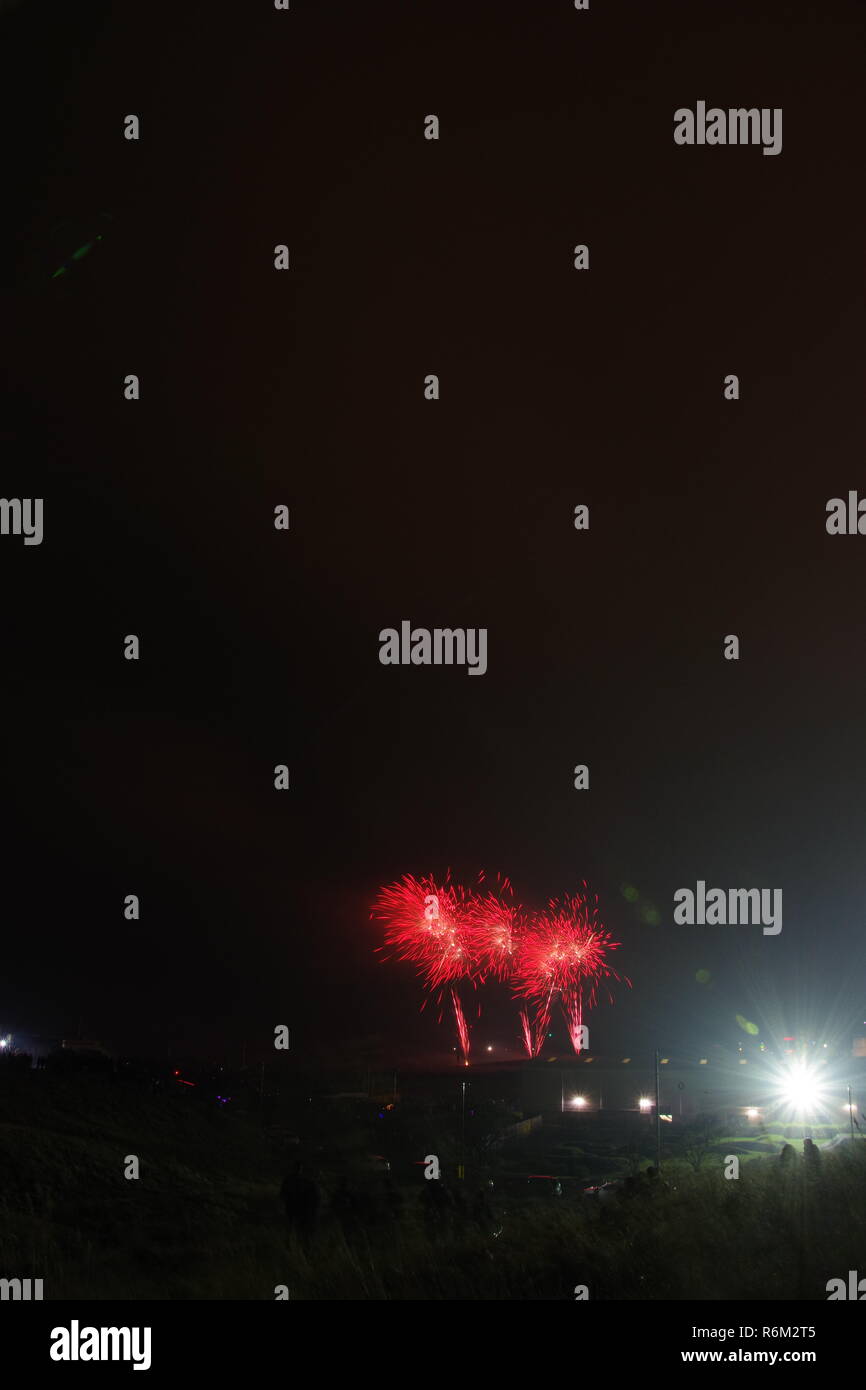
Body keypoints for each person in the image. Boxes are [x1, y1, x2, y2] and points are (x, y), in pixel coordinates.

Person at [281, 1161, 320, 1246]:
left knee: (296, 1228)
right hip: (292, 1208)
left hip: (298, 1208)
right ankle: (289, 1243)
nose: (298, 1170)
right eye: (297, 1168)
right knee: (291, 1228)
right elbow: (283, 1193)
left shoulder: (302, 1181)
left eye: (299, 1169)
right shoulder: (291, 1180)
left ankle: (295, 1244)